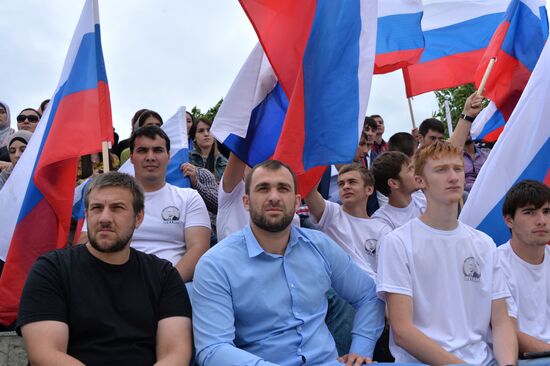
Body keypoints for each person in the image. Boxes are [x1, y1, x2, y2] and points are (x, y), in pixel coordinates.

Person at [192, 160, 385, 366]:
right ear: (246, 201)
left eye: (283, 189)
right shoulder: (216, 264)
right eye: (263, 188)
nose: (274, 197)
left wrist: (361, 348)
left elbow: (369, 295)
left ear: (296, 202)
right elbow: (213, 349)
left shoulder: (320, 245)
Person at [17, 172, 193, 365]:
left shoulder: (163, 275)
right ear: (86, 214)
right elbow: (45, 354)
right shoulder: (52, 270)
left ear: (139, 217)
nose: (104, 218)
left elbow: (175, 354)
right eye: (96, 208)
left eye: (117, 208)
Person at [377, 140, 517, 365]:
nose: (453, 177)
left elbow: (501, 321)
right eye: (441, 170)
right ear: (420, 181)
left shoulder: (484, 243)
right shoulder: (398, 242)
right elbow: (402, 331)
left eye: (458, 168)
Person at [80, 126, 211, 283]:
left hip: (175, 286)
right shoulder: (107, 200)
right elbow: (83, 243)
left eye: (157, 150)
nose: (150, 157)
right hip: (112, 285)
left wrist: (166, 286)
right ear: (132, 157)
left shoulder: (189, 198)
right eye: (142, 150)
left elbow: (199, 249)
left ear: (168, 156)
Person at [305, 163, 390, 279]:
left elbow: (387, 272)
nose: (345, 187)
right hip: (338, 292)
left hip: (373, 291)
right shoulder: (331, 213)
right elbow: (309, 193)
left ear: (369, 189)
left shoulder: (383, 229)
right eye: (341, 184)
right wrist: (321, 159)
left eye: (352, 182)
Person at [498, 180, 550, 357]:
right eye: (530, 212)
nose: (542, 221)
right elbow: (506, 332)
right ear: (508, 220)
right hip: (524, 358)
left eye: (547, 211)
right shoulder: (496, 264)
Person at [371, 151, 425, 231]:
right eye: (410, 169)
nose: (416, 172)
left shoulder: (423, 199)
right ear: (394, 183)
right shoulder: (381, 220)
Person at [188, 117, 227, 181]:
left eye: (209, 130)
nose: (206, 134)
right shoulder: (186, 158)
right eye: (201, 131)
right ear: (194, 137)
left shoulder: (224, 162)